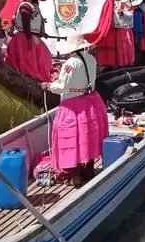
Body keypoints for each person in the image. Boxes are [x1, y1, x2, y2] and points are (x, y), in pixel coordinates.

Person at [42, 32, 110, 187]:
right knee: (90, 133)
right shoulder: (91, 59)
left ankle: (76, 175)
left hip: (73, 104)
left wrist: (47, 86)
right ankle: (90, 167)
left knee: (71, 136)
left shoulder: (70, 63)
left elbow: (62, 87)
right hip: (92, 100)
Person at [5, 0, 53, 81]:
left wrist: (42, 33)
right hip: (24, 37)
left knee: (41, 56)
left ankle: (32, 76)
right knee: (28, 60)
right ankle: (28, 77)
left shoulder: (32, 6)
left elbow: (33, 23)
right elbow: (25, 21)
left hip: (29, 36)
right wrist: (28, 38)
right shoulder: (25, 6)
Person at [111, 0, 139, 68]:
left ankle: (130, 63)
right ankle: (122, 63)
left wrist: (124, 14)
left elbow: (131, 14)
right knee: (120, 47)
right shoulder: (112, 2)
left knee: (128, 45)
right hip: (117, 28)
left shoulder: (125, 1)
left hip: (126, 28)